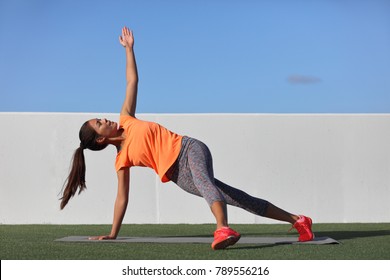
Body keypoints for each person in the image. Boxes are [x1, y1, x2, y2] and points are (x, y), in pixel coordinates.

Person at [60, 26, 314, 250]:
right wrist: (113, 234)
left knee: (206, 184)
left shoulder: (126, 117)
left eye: (100, 118)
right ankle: (298, 221)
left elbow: (132, 80)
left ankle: (223, 229)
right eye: (99, 123)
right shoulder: (121, 160)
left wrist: (129, 49)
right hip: (177, 175)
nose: (105, 119)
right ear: (100, 140)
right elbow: (122, 197)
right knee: (234, 197)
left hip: (188, 148)